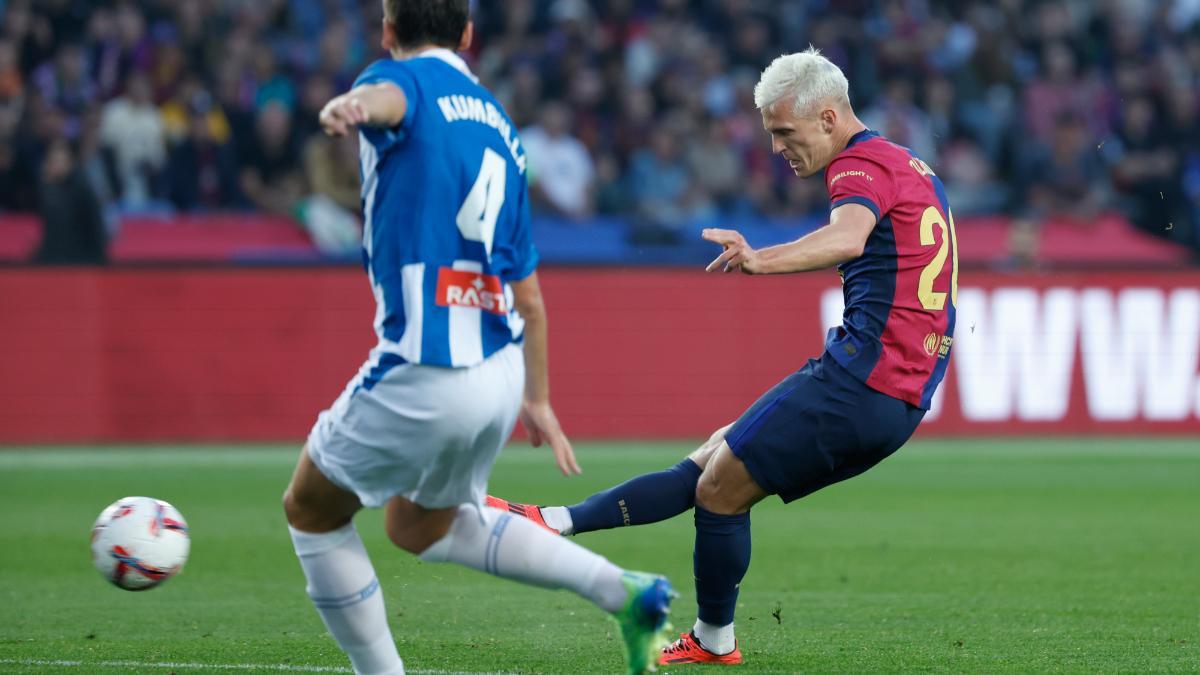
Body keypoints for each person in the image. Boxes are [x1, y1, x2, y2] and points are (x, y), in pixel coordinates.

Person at [489, 47, 959, 666]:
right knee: (714, 458)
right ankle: (553, 521)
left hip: (864, 379)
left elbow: (847, 238)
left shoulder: (856, 165)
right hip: (895, 391)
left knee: (719, 488)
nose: (777, 148)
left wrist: (761, 258)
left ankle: (713, 640)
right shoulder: (909, 163)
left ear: (828, 117)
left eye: (784, 132)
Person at [280, 3, 673, 675]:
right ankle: (624, 591)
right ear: (467, 35)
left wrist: (352, 106)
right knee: (418, 524)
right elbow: (530, 294)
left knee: (311, 508)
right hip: (500, 370)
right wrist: (537, 399)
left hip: (427, 362)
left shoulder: (401, 80)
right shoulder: (503, 129)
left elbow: (390, 99)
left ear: (387, 32)